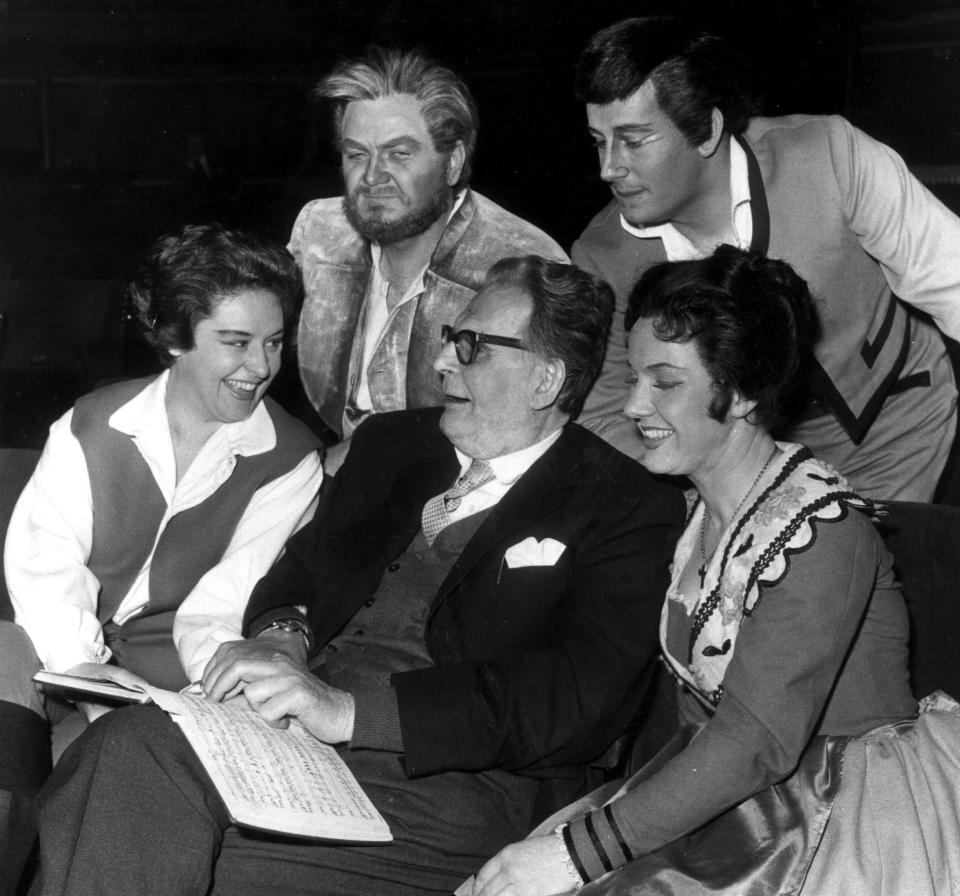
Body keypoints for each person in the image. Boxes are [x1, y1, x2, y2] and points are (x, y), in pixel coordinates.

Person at [30, 256, 684, 896]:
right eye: (452, 339)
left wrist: (351, 713)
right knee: (128, 745)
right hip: (293, 747)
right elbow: (300, 570)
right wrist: (282, 634)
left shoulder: (628, 506)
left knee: (148, 837)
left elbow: (573, 701)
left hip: (447, 792)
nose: (440, 361)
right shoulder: (394, 445)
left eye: (472, 347)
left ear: (546, 379)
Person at [471, 246, 960, 896]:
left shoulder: (823, 534)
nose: (635, 404)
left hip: (840, 811)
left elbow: (755, 743)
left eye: (666, 382)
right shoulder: (695, 512)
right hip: (735, 791)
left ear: (744, 393)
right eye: (636, 376)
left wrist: (578, 855)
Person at [0, 224, 323, 894]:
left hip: (174, 690)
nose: (260, 366)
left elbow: (220, 610)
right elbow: (45, 565)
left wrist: (143, 707)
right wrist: (85, 674)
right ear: (176, 338)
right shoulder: (92, 422)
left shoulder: (290, 462)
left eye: (273, 341)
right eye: (234, 342)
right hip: (58, 658)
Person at [572, 15, 960, 501]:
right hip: (746, 472)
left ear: (706, 130)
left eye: (633, 140)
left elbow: (953, 280)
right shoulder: (599, 254)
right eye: (598, 142)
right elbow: (604, 412)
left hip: (900, 423)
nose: (609, 168)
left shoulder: (833, 155)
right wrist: (700, 482)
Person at [290, 46, 567, 473]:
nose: (372, 176)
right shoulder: (320, 231)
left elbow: (521, 441)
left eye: (399, 154)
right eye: (357, 154)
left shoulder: (523, 263)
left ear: (453, 162)